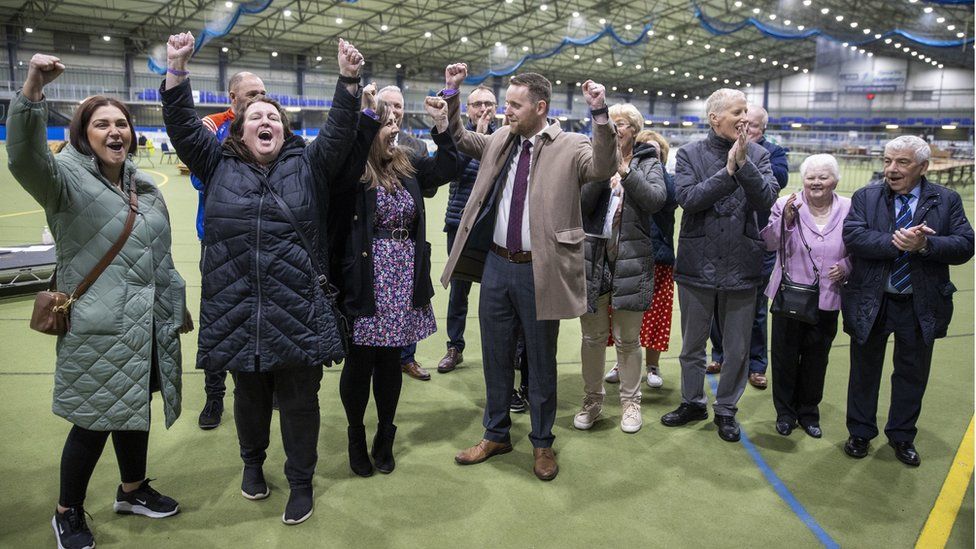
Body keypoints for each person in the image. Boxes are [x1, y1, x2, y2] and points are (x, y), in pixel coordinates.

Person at [162, 32, 365, 524]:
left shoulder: (308, 164)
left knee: (299, 403)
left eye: (273, 115)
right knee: (248, 398)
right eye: (256, 115)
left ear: (285, 128)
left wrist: (349, 81)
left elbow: (339, 132)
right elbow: (184, 128)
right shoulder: (216, 162)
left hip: (295, 306)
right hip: (237, 305)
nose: (265, 119)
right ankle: (252, 465)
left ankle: (300, 482)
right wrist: (176, 69)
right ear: (239, 127)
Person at [8, 53, 192, 549]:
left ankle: (132, 489)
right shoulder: (64, 180)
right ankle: (67, 510)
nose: (116, 132)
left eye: (122, 124)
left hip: (148, 322)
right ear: (82, 133)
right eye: (102, 124)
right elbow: (24, 157)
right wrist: (31, 93)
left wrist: (175, 306)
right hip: (99, 323)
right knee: (92, 422)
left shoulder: (141, 182)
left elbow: (157, 254)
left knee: (135, 409)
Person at [441, 63, 619, 480]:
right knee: (495, 357)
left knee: (540, 361)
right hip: (497, 265)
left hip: (541, 270)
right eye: (506, 104)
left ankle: (542, 443)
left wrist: (600, 113)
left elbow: (604, 165)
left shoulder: (573, 145)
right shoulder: (502, 138)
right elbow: (460, 137)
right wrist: (452, 93)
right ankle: (496, 433)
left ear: (541, 107)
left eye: (515, 105)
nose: (506, 111)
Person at [333, 89, 459, 477]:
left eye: (395, 122)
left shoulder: (407, 162)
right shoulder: (353, 165)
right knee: (359, 362)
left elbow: (448, 167)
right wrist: (364, 116)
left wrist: (442, 126)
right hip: (365, 277)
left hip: (403, 276)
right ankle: (356, 435)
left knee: (390, 361)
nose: (393, 128)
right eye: (384, 123)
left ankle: (384, 435)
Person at [842, 135, 974, 466]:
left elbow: (965, 244)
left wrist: (927, 248)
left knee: (912, 373)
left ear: (923, 167)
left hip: (920, 303)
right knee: (864, 370)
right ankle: (860, 432)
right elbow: (854, 236)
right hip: (873, 299)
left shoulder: (946, 200)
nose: (891, 169)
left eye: (901, 162)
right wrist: (895, 242)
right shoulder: (865, 196)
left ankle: (901, 436)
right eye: (887, 161)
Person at [661, 89, 778, 443]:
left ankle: (726, 409)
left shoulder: (759, 154)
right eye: (737, 111)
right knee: (692, 346)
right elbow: (689, 199)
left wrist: (744, 166)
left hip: (743, 264)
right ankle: (692, 401)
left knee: (738, 348)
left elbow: (767, 199)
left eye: (747, 111)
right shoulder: (690, 154)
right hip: (698, 265)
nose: (745, 117)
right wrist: (727, 172)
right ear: (715, 118)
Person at [575, 104, 666, 434]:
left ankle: (630, 402)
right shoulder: (590, 158)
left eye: (622, 124)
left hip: (630, 260)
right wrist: (603, 172)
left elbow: (657, 199)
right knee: (592, 337)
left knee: (628, 340)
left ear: (634, 130)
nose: (615, 129)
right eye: (610, 125)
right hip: (593, 259)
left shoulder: (649, 161)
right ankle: (592, 400)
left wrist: (626, 172)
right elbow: (581, 205)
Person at [192, 70, 268, 430]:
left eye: (263, 92)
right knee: (219, 319)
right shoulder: (214, 127)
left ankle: (264, 385)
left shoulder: (274, 125)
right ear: (233, 97)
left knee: (263, 314)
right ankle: (214, 395)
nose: (258, 98)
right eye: (251, 93)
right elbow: (198, 176)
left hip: (261, 239)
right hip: (219, 241)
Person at [761, 154, 850, 438]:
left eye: (823, 177)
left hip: (828, 297)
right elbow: (769, 242)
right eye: (811, 177)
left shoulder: (849, 208)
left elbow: (859, 246)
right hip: (790, 296)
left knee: (816, 358)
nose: (816, 182)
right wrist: (785, 219)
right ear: (803, 179)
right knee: (785, 357)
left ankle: (809, 413)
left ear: (835, 180)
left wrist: (847, 266)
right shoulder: (786, 203)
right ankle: (785, 413)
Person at [706, 104, 789, 390]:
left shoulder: (773, 154)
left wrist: (744, 157)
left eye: (751, 125)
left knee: (755, 309)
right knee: (718, 302)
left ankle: (756, 363)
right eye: (741, 122)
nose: (745, 128)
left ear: (762, 130)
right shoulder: (720, 150)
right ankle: (719, 354)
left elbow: (773, 185)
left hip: (757, 241)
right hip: (723, 240)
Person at [373, 85, 437, 382]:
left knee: (408, 301)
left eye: (398, 106)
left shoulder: (414, 147)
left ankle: (407, 357)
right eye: (388, 105)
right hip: (376, 248)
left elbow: (430, 188)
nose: (394, 110)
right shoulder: (365, 147)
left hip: (408, 241)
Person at [604, 129, 677, 388]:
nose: (648, 151)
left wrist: (655, 162)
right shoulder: (625, 176)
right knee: (623, 313)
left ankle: (653, 365)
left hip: (659, 258)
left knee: (656, 315)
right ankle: (620, 361)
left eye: (655, 150)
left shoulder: (666, 180)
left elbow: (666, 199)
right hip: (630, 257)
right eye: (644, 147)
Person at [436, 85, 497, 375]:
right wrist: (479, 136)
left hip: (493, 227)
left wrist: (487, 137)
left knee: (496, 292)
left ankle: (499, 349)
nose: (483, 108)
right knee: (459, 290)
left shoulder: (506, 135)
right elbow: (454, 169)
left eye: (488, 103)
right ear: (467, 109)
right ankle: (454, 347)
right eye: (477, 104)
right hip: (459, 224)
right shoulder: (457, 136)